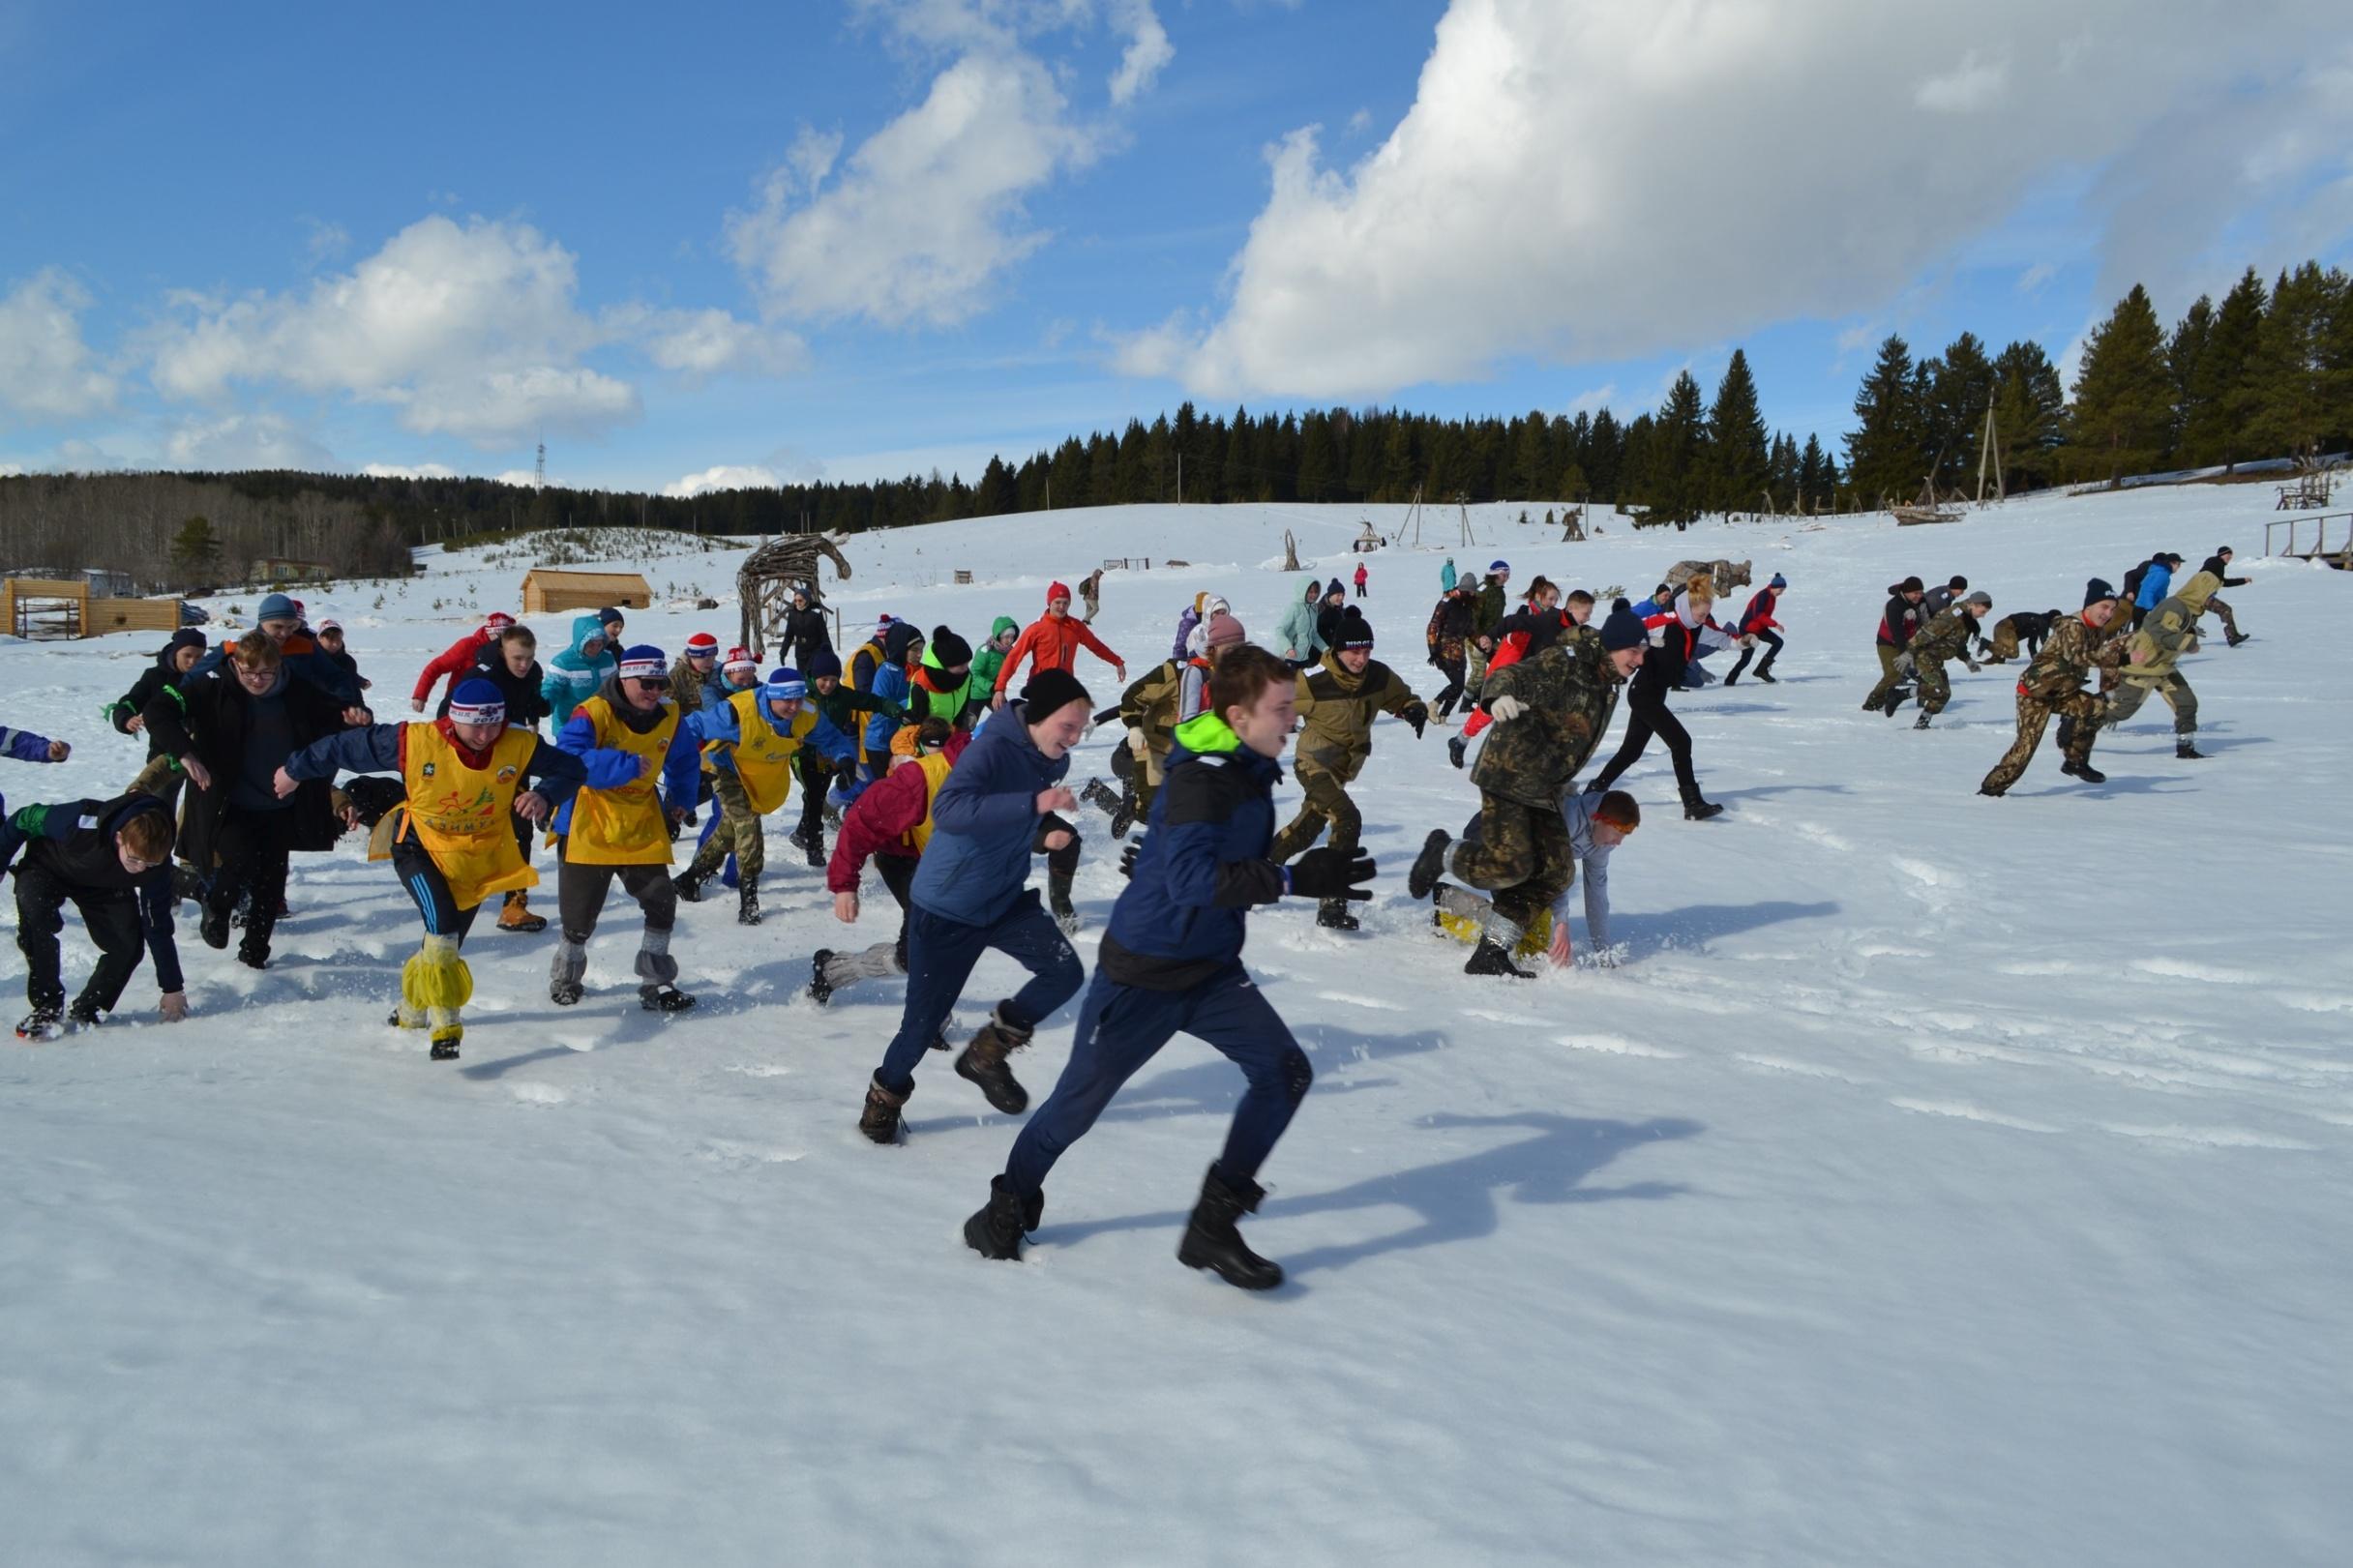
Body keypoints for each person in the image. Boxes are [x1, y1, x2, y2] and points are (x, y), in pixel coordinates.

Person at [962, 645, 1373, 1287]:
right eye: (1281, 708)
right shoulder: (1204, 776)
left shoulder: (1249, 764)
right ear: (1237, 716)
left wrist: (1290, 869)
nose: (1293, 720)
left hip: (1209, 967)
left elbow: (1198, 854)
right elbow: (1189, 878)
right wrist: (1292, 878)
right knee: (1075, 1108)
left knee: (1283, 1071)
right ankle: (1005, 1206)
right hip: (1142, 974)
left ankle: (1212, 1227)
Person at [278, 679, 587, 1059]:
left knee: (443, 946)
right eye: (477, 726)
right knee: (442, 931)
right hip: (417, 848)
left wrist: (544, 794)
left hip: (476, 857)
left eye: (494, 726)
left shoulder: (518, 743)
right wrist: (295, 770)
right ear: (455, 719)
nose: (486, 735)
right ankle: (446, 1025)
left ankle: (410, 1011)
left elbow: (572, 769)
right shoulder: (413, 741)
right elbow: (343, 747)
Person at [855, 670, 1094, 1144]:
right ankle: (884, 1098)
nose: (1073, 738)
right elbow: (952, 811)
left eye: (1081, 730)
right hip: (946, 908)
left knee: (1064, 972)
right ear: (1038, 718)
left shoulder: (1050, 760)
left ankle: (986, 1053)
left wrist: (1042, 829)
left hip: (1003, 900)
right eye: (1067, 726)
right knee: (921, 1027)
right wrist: (1035, 804)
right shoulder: (990, 750)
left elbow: (1017, 813)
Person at [1408, 601, 1641, 977]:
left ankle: (1491, 953)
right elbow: (1513, 675)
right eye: (1634, 651)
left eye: (1643, 651)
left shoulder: (1606, 682)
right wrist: (1497, 697)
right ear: (1613, 645)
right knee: (1511, 866)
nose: (1639, 660)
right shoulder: (1568, 663)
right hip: (1510, 770)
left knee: (1555, 875)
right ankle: (1442, 853)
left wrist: (1602, 950)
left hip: (1546, 787)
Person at [141, 636, 361, 968]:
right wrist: (184, 752)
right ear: (234, 665)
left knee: (271, 883)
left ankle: (256, 951)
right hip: (229, 804)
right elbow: (157, 710)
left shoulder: (297, 691)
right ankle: (215, 905)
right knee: (239, 859)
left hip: (279, 805)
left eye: (266, 673)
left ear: (279, 668)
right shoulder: (210, 691)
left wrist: (355, 714)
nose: (257, 681)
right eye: (248, 673)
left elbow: (334, 712)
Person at [548, 645, 703, 1012]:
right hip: (589, 821)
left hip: (639, 820)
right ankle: (566, 978)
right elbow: (567, 758)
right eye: (646, 683)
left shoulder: (670, 715)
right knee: (579, 916)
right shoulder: (593, 712)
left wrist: (680, 797)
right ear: (625, 679)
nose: (654, 691)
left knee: (661, 901)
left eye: (660, 683)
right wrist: (623, 765)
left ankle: (656, 982)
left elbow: (683, 760)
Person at [1269, 608, 1428, 931]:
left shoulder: (1378, 677)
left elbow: (1401, 697)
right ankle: (1332, 902)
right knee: (1346, 818)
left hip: (1341, 769)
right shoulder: (1315, 683)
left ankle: (1258, 872)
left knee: (1308, 827)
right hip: (1311, 763)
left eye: (1367, 651)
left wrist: (1413, 709)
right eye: (1354, 651)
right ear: (1338, 650)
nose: (1361, 658)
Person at [674, 666, 857, 924]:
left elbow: (831, 738)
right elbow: (691, 727)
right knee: (747, 824)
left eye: (798, 699)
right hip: (726, 767)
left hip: (760, 772)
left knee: (730, 829)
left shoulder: (807, 713)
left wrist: (846, 759)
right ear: (771, 696)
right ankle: (749, 899)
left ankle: (689, 879)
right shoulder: (737, 711)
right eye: (787, 700)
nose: (793, 707)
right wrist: (689, 766)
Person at [5, 790, 185, 1038]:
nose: (141, 869)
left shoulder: (156, 866)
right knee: (37, 919)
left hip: (103, 885)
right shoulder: (79, 822)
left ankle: (89, 1009)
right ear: (120, 838)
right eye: (134, 860)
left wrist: (172, 987)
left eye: (149, 864)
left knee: (127, 945)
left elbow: (158, 924)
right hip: (47, 867)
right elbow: (24, 818)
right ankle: (47, 1004)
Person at [1434, 789, 1639, 967]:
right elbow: (1555, 871)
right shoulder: (1567, 816)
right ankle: (1450, 906)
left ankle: (1449, 903)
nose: (1619, 842)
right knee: (1517, 922)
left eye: (1625, 834)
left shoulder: (1602, 845)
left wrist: (1603, 951)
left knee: (1532, 947)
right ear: (1597, 818)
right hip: (1491, 830)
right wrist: (1561, 923)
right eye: (1618, 832)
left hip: (1527, 858)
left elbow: (1597, 895)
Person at [1587, 578, 1736, 820]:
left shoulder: (1697, 626)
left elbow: (1724, 639)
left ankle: (1595, 789)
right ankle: (1692, 803)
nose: (1703, 618)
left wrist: (1744, 641)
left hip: (1654, 694)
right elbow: (1628, 630)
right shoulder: (1665, 622)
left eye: (1707, 614)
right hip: (1643, 693)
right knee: (1681, 742)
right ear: (1688, 608)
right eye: (1700, 613)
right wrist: (1644, 642)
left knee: (1631, 751)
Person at [1097, 610, 1249, 840]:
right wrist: (1134, 727)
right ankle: (1130, 805)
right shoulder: (1177, 673)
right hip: (1155, 746)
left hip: (1193, 754)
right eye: (1229, 649)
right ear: (1213, 647)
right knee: (1153, 809)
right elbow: (1133, 696)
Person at [1979, 579, 2134, 796]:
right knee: (2025, 748)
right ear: (2089, 606)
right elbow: (2078, 657)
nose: (2108, 613)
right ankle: (1990, 790)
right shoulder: (2072, 626)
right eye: (2104, 607)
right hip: (2035, 694)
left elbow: (2103, 662)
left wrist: (2109, 689)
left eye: (2112, 609)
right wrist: (2121, 657)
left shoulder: (2097, 631)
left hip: (2064, 692)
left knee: (2097, 707)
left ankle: (2075, 760)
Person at [2104, 570, 2219, 759]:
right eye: (2211, 594)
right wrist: (2189, 644)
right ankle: (2079, 718)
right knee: (2121, 712)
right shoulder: (2175, 607)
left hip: (2163, 665)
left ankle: (2185, 747)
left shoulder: (2188, 609)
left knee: (2187, 703)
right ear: (2199, 591)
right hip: (2144, 666)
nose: (2212, 599)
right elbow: (2160, 633)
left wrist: (2190, 629)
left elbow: (2172, 630)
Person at [798, 646, 900, 855]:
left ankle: (802, 832)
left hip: (831, 752)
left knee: (817, 794)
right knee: (813, 794)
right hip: (803, 754)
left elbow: (870, 701)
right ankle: (813, 845)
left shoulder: (842, 695)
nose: (828, 685)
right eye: (824, 679)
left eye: (834, 680)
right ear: (814, 677)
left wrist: (894, 709)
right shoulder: (804, 698)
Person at [184, 592, 365, 707]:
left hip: (298, 723)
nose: (285, 633)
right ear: (262, 622)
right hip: (250, 723)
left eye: (291, 626)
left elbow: (337, 677)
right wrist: (174, 701)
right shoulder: (237, 646)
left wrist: (346, 706)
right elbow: (194, 674)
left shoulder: (305, 646)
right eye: (277, 626)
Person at [106, 629, 205, 804]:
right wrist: (126, 718)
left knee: (197, 811)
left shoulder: (206, 678)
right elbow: (131, 700)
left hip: (201, 754)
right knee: (161, 805)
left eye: (199, 656)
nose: (193, 662)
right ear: (176, 653)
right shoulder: (155, 676)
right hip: (164, 754)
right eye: (187, 655)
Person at [990, 582, 1125, 706]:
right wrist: (1000, 688)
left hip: (1064, 687)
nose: (1061, 607)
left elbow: (1096, 646)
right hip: (1040, 687)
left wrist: (1117, 662)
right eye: (1057, 602)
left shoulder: (1075, 627)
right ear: (1049, 602)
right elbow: (1014, 657)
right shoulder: (1037, 629)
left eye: (1065, 603)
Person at [1898, 589, 1991, 728]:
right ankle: (1899, 694)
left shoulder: (1967, 618)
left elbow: (1957, 643)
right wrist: (1908, 653)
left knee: (1944, 695)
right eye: (1982, 611)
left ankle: (1922, 723)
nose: (1983, 616)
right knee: (1938, 690)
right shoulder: (1952, 615)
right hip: (1925, 655)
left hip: (1936, 658)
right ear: (1973, 604)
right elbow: (1926, 632)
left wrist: (1968, 660)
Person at [411, 613, 515, 712]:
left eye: (508, 636)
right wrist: (420, 696)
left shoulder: (511, 650)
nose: (503, 640)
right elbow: (437, 666)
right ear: (489, 631)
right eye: (499, 635)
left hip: (493, 707)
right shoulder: (468, 645)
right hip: (459, 705)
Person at [1862, 577, 1927, 711]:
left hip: (1910, 641)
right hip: (1888, 643)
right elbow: (1897, 632)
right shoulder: (1895, 605)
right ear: (1907, 592)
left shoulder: (1918, 601)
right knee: (1893, 673)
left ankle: (1925, 699)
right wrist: (1906, 653)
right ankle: (1872, 703)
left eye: (1921, 592)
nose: (1919, 596)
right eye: (1916, 593)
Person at [541, 614, 616, 727]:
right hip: (569, 725)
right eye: (591, 644)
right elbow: (551, 688)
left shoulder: (608, 660)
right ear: (581, 641)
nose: (596, 648)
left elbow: (617, 687)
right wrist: (544, 705)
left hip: (601, 724)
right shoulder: (563, 662)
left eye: (599, 644)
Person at [1425, 584, 1476, 722]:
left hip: (1459, 652)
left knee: (1459, 687)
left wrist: (1483, 643)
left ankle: (1443, 716)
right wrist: (1433, 649)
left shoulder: (1467, 606)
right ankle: (1434, 705)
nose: (1473, 594)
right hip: (1444, 650)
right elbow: (1432, 627)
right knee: (1457, 684)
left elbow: (1469, 630)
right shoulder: (1447, 602)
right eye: (1471, 591)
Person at [1724, 575, 1786, 685]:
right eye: (1780, 590)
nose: (1781, 593)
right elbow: (1758, 614)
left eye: (1783, 590)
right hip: (1748, 630)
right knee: (1746, 660)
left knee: (1778, 642)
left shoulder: (1772, 597)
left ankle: (1761, 670)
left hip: (1760, 628)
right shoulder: (1763, 595)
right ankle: (1730, 680)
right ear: (1773, 587)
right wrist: (1774, 624)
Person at [1468, 560, 1511, 691]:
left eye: (1508, 575)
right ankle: (1466, 703)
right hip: (1475, 637)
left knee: (1504, 664)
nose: (1507, 578)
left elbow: (1498, 618)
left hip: (1491, 636)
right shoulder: (1482, 591)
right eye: (1504, 575)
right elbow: (1472, 618)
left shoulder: (1500, 592)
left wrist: (1504, 635)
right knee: (1478, 674)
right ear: (1495, 574)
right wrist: (1478, 638)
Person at [2195, 547, 2252, 646]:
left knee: (2190, 619)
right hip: (2202, 596)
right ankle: (2232, 636)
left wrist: (2243, 580)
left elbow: (2224, 582)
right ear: (2222, 554)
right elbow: (2206, 570)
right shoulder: (2214, 561)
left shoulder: (2219, 565)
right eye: (2228, 554)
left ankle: (2177, 641)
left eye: (2231, 555)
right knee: (2225, 610)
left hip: (2198, 596)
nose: (2230, 557)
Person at [1274, 576, 1326, 668]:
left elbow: (1314, 635)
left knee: (1302, 683)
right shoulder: (1294, 608)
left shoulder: (1314, 610)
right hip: (1288, 658)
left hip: (1304, 658)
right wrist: (1288, 648)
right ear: (1303, 591)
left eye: (1316, 592)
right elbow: (1280, 630)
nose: (1314, 595)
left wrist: (1326, 649)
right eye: (1310, 592)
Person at [782, 587, 833, 672]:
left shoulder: (815, 613)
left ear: (807, 600)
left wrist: (829, 652)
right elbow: (788, 635)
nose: (797, 603)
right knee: (802, 679)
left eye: (800, 600)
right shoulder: (792, 614)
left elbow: (824, 634)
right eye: (795, 600)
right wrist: (783, 652)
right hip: (800, 653)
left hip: (815, 651)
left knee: (812, 678)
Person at [670, 633, 721, 715]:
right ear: (693, 656)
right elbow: (669, 708)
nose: (710, 662)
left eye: (713, 657)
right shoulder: (676, 676)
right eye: (706, 659)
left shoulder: (719, 671)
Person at [1985, 608, 2059, 665]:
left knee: (1999, 660)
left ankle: (1995, 657)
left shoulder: (2037, 624)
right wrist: (2052, 658)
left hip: (2001, 626)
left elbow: (2031, 645)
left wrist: (2036, 659)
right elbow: (2046, 643)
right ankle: (1986, 644)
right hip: (2006, 626)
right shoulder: (2043, 623)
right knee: (2013, 653)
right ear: (2053, 619)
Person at [969, 616, 1020, 695]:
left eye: (1012, 637)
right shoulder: (985, 651)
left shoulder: (1009, 652)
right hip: (977, 693)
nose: (1009, 640)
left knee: (1006, 707)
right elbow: (974, 674)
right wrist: (990, 686)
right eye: (1006, 637)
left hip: (995, 693)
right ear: (999, 636)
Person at [313, 619, 367, 691]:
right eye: (331, 640)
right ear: (320, 638)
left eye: (338, 639)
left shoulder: (348, 661)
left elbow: (354, 690)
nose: (335, 644)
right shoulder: (309, 659)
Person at [2130, 553, 2179, 631]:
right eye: (2177, 564)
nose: (2178, 567)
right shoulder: (2161, 574)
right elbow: (2148, 591)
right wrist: (2151, 609)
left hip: (2141, 608)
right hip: (2144, 610)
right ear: (2171, 563)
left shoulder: (2159, 572)